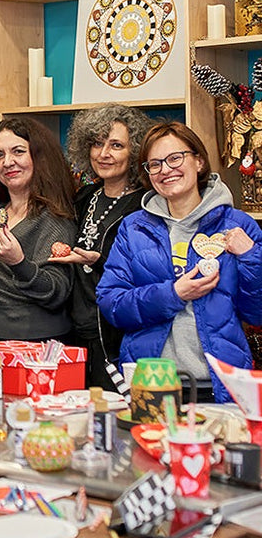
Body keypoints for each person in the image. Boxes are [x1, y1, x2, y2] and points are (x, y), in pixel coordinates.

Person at [98, 121, 262, 403]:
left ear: (198, 161)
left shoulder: (238, 226)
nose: (166, 170)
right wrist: (173, 294)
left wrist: (250, 257)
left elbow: (257, 313)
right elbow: (111, 305)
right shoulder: (133, 229)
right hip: (151, 386)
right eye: (155, 164)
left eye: (175, 158)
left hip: (220, 387)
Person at [59, 105, 152, 388]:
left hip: (115, 334)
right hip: (73, 330)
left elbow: (148, 269)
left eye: (116, 145)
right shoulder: (84, 197)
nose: (104, 154)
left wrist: (101, 259)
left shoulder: (146, 205)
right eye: (98, 143)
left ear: (135, 151)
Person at [0, 117, 76, 341]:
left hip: (38, 345)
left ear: (39, 157)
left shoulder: (56, 218)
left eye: (18, 151)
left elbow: (57, 292)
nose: (7, 162)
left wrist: (19, 264)